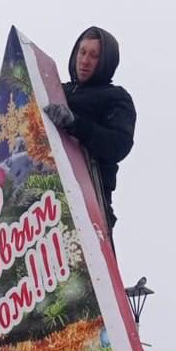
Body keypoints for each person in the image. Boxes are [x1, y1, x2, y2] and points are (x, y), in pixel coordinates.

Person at [44, 26, 136, 231]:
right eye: (82, 52)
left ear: (105, 62)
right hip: (44, 197)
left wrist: (75, 124)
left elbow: (118, 144)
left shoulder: (116, 97)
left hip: (89, 202)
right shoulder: (57, 91)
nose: (84, 60)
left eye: (94, 56)